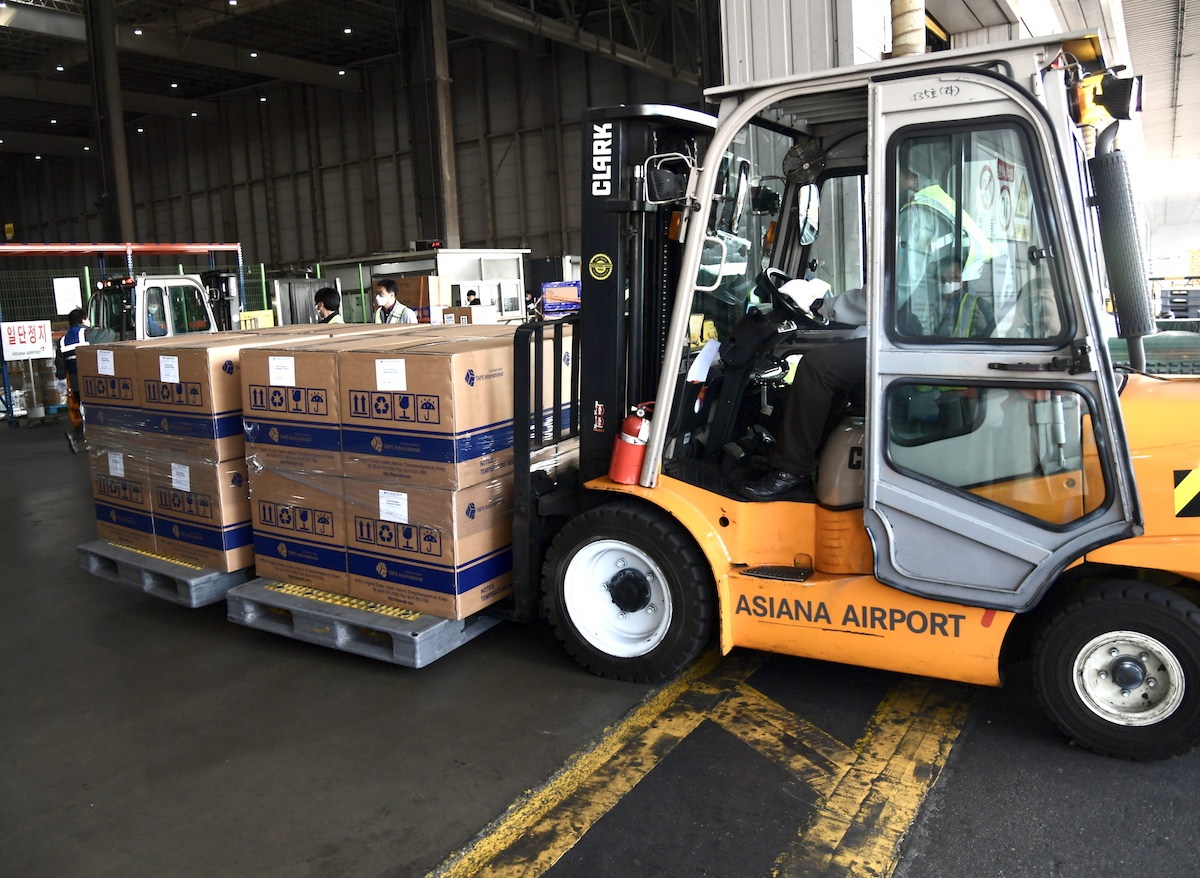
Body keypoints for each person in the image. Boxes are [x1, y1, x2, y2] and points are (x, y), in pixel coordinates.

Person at [740, 283, 868, 501]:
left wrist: (823, 306)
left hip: (898, 344)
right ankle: (807, 457)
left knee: (817, 366)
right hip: (895, 337)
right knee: (833, 374)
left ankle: (792, 470)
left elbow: (874, 297)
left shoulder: (911, 258)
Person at [60, 308, 89, 454]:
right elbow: (106, 334)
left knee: (85, 410)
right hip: (87, 378)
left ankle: (80, 436)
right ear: (82, 320)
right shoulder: (84, 333)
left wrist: (61, 381)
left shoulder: (63, 340)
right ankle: (76, 435)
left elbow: (60, 364)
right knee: (92, 411)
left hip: (75, 381)